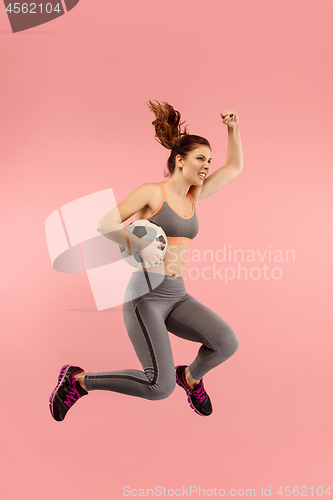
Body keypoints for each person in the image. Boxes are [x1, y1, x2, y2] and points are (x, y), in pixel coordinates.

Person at [49, 100, 243, 421]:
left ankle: (191, 377)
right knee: (158, 386)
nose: (207, 165)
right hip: (145, 297)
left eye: (209, 159)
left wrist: (232, 129)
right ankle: (79, 381)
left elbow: (234, 168)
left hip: (177, 294)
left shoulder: (193, 197)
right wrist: (136, 243)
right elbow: (106, 223)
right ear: (180, 161)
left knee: (225, 342)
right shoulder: (152, 193)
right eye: (200, 158)